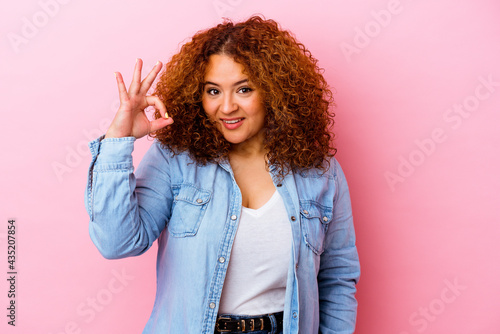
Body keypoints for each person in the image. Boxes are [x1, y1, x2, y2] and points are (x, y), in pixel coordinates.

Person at [85, 15, 360, 334]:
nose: (226, 107)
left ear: (274, 91)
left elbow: (338, 278)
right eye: (213, 91)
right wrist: (118, 141)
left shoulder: (320, 172)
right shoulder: (175, 159)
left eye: (243, 89)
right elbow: (116, 243)